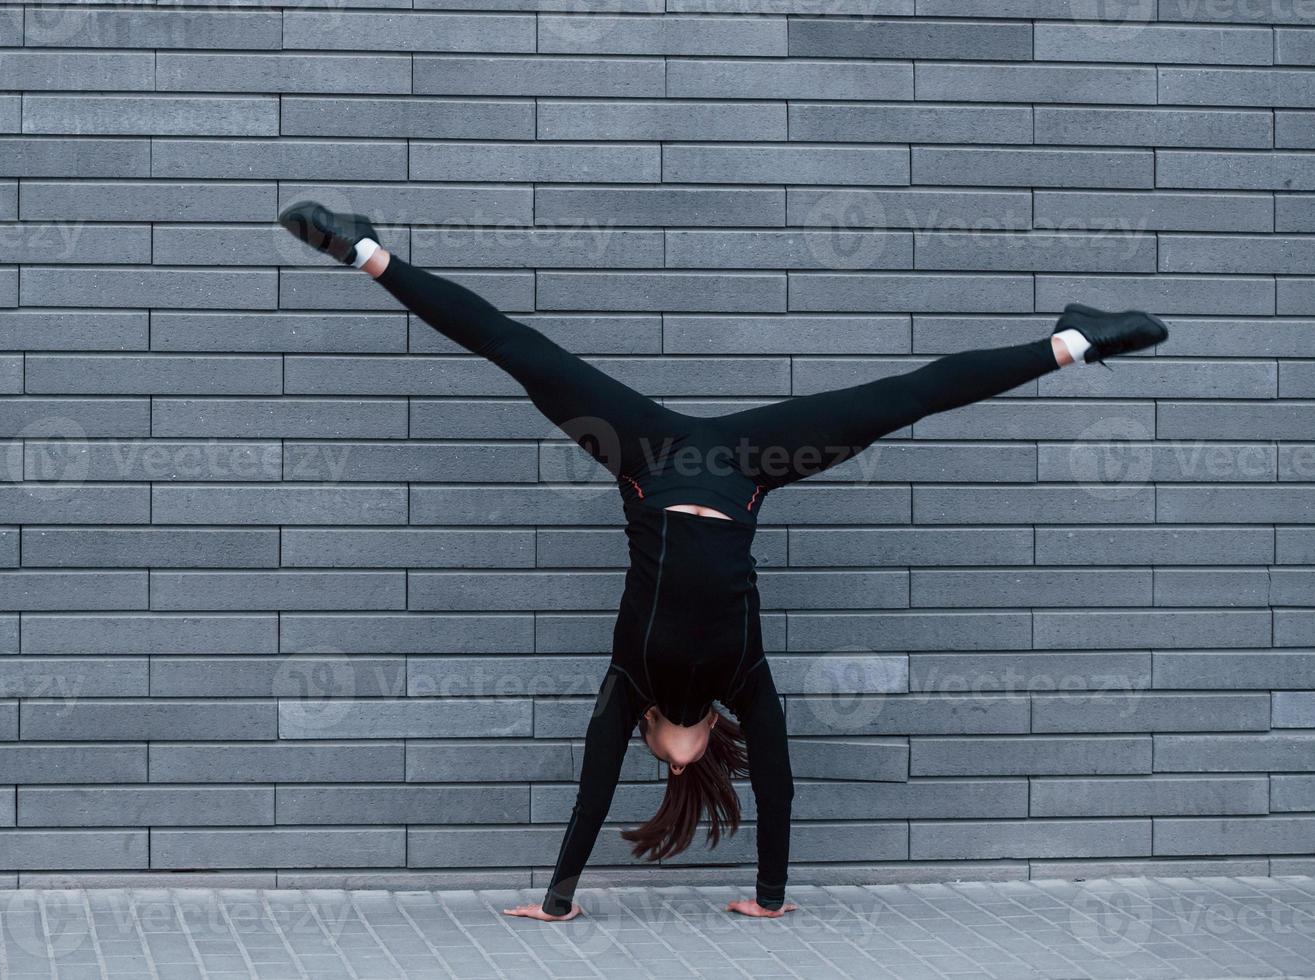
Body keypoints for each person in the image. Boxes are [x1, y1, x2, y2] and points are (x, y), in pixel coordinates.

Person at [277, 201, 1170, 921]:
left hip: (649, 458)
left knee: (519, 352)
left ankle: (360, 249)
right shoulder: (744, 680)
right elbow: (776, 787)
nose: (668, 756)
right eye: (680, 762)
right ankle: (1073, 343)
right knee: (902, 401)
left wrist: (556, 901)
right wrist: (773, 897)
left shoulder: (627, 683)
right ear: (701, 748)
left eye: (658, 755)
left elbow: (590, 793)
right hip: (747, 465)